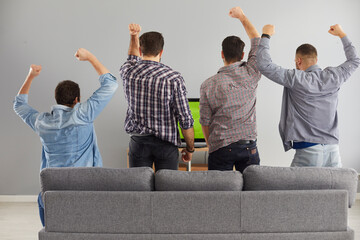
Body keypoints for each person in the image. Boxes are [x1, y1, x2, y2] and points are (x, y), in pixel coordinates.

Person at [13, 48, 118, 226]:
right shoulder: (83, 114)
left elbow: (19, 105)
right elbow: (111, 84)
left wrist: (30, 76)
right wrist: (90, 58)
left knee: (42, 200)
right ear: (77, 99)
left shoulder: (42, 122)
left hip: (53, 190)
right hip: (87, 189)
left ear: (56, 99)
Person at [257, 24, 360, 167]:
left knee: (294, 190)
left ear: (298, 61)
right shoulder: (334, 76)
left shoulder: (296, 78)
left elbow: (264, 64)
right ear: (316, 60)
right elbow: (354, 61)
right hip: (334, 152)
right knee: (336, 189)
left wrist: (266, 35)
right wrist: (342, 34)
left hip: (308, 151)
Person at [120, 23, 194, 171]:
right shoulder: (173, 78)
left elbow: (132, 56)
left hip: (138, 144)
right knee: (167, 193)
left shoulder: (128, 72)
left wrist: (134, 36)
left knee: (139, 191)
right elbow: (185, 119)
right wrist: (190, 149)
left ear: (141, 50)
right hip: (166, 147)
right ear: (161, 51)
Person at [199, 6, 261, 173]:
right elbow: (257, 40)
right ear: (242, 55)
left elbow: (205, 121)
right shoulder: (251, 72)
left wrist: (211, 145)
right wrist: (242, 17)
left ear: (222, 54)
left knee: (220, 197)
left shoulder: (208, 84)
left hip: (220, 148)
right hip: (248, 147)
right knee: (250, 195)